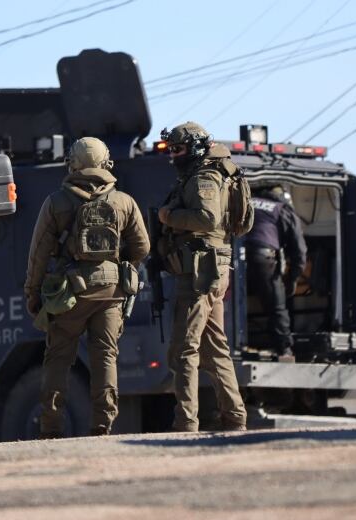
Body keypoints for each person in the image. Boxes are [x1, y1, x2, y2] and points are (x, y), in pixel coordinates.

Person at [24, 137, 150, 438]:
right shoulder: (123, 202)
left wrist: (33, 292)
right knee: (105, 355)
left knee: (58, 358)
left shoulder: (56, 202)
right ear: (105, 162)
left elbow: (38, 253)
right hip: (111, 292)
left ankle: (51, 426)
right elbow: (142, 247)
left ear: (73, 163)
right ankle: (103, 425)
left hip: (70, 293)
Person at [157, 121, 247, 432]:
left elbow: (207, 218)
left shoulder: (205, 176)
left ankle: (186, 423)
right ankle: (234, 418)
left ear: (195, 147)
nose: (174, 156)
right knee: (215, 347)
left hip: (201, 271)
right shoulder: (213, 172)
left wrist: (167, 216)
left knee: (184, 349)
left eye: (178, 149)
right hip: (210, 269)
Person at [245, 185, 307, 360]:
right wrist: (293, 279)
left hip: (233, 258)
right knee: (277, 306)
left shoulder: (245, 203)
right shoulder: (281, 209)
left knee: (231, 304)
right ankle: (284, 349)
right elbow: (299, 251)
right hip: (263, 260)